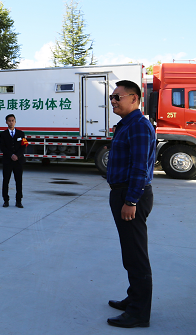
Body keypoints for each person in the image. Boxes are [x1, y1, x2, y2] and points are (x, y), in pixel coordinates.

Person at [105, 80, 155, 328]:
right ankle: (133, 298)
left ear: (134, 99)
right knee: (130, 253)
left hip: (131, 195)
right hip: (122, 193)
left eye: (118, 97)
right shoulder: (126, 125)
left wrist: (131, 200)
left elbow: (139, 167)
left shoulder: (138, 126)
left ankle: (138, 313)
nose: (113, 101)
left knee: (136, 256)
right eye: (111, 97)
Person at [0, 114, 26, 208]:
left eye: (12, 120)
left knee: (19, 181)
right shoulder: (3, 134)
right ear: (6, 122)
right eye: (9, 121)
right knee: (6, 181)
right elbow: (2, 147)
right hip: (8, 161)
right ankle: (6, 200)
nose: (11, 122)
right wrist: (11, 155)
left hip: (18, 161)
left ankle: (19, 201)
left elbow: (24, 145)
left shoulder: (21, 133)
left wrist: (17, 155)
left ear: (15, 121)